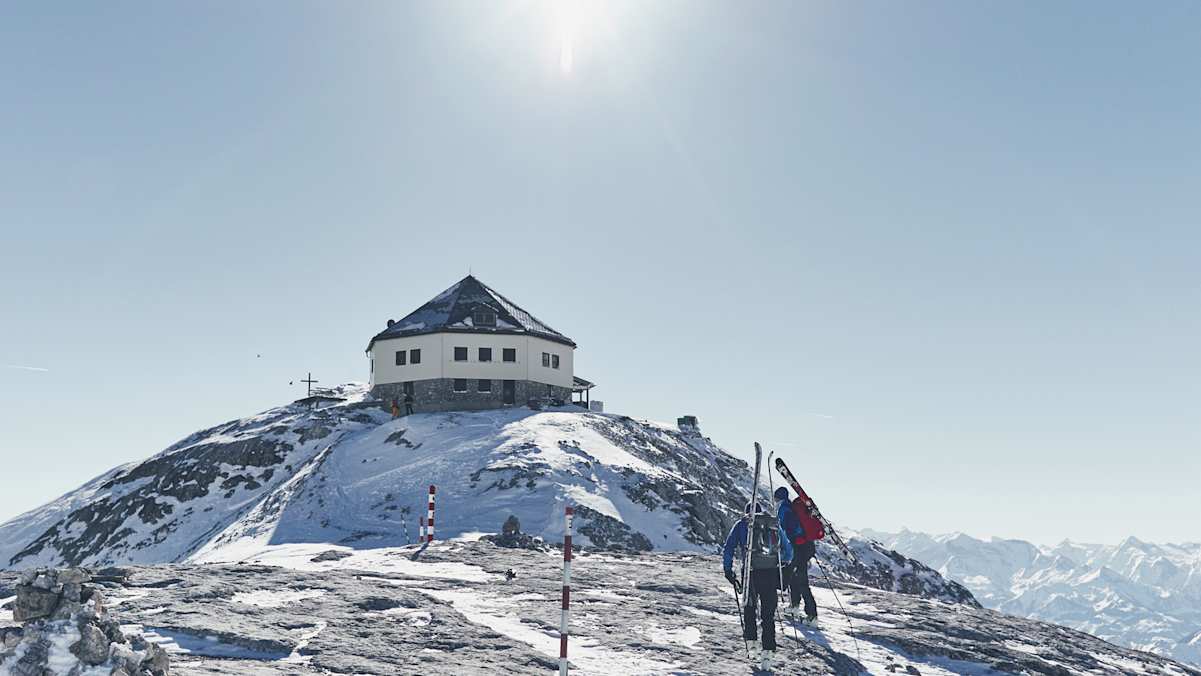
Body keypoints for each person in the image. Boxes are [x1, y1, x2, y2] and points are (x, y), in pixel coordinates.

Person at [723, 501, 793, 666]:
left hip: (750, 573)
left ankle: (752, 644)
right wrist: (778, 562)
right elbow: (788, 551)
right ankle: (768, 652)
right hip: (769, 573)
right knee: (768, 614)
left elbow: (729, 547)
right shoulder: (772, 524)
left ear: (746, 512)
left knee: (749, 608)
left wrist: (728, 570)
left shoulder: (742, 524)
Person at [775, 486, 818, 623]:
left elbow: (781, 530)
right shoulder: (792, 507)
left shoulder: (783, 509)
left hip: (795, 548)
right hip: (804, 547)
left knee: (798, 579)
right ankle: (795, 605)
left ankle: (811, 614)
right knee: (795, 577)